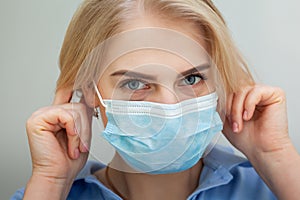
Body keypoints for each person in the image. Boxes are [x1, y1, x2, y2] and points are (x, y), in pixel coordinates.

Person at [11, 0, 300, 199]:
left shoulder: (273, 187)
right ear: (89, 90)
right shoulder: (45, 193)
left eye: (191, 79)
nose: (170, 106)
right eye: (135, 83)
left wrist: (274, 156)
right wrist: (52, 183)